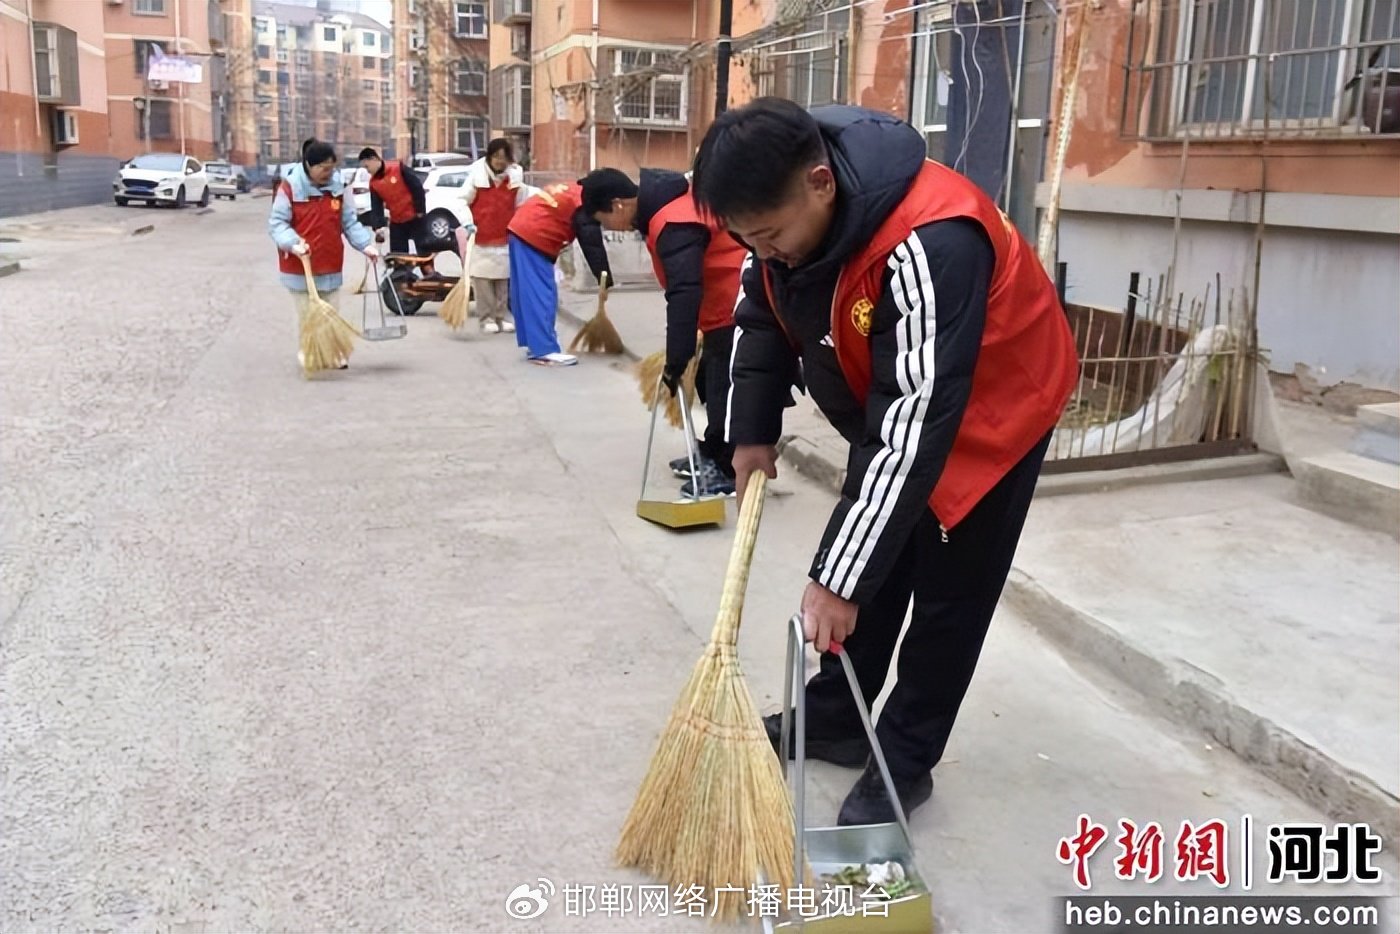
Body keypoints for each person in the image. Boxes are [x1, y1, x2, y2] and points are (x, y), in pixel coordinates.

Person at [691, 98, 1079, 825]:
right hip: (904, 395)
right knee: (875, 551)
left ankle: (904, 758)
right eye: (749, 238)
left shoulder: (932, 240)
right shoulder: (781, 224)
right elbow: (763, 315)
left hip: (994, 411)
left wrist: (836, 581)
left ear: (820, 183)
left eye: (769, 235)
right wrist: (749, 432)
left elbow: (913, 430)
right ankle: (837, 716)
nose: (763, 250)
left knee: (945, 593)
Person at [581, 166, 746, 498]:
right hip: (717, 311)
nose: (606, 228)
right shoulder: (661, 209)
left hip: (737, 305)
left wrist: (677, 357)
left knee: (724, 391)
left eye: (602, 220)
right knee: (708, 384)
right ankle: (713, 452)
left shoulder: (673, 221)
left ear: (618, 205)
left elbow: (684, 291)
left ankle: (729, 471)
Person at [268, 138, 378, 370]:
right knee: (309, 313)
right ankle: (309, 351)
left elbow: (348, 221)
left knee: (331, 312)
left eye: (332, 168)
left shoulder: (338, 187)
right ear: (309, 165)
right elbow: (277, 224)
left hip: (330, 262)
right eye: (323, 168)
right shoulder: (289, 187)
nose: (329, 173)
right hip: (300, 265)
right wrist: (293, 244)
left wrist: (365, 245)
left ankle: (333, 352)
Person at [506, 179, 612, 367]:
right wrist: (605, 279)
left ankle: (534, 344)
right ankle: (544, 350)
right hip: (535, 234)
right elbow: (592, 243)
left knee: (528, 293)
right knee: (541, 294)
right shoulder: (585, 204)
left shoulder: (575, 190)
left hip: (520, 228)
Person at [461, 138, 535, 335]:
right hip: (481, 236)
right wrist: (468, 222)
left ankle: (501, 317)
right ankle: (486, 318)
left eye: (503, 158)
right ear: (489, 157)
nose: (499, 162)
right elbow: (461, 201)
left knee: (503, 281)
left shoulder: (515, 181)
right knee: (483, 282)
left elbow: (522, 204)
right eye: (496, 157)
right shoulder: (476, 178)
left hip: (504, 236)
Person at [358, 147, 435, 275]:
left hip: (415, 216)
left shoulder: (398, 168)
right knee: (398, 255)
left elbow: (417, 187)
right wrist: (378, 227)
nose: (368, 171)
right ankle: (402, 278)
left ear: (374, 159)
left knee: (423, 250)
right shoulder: (374, 183)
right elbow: (376, 207)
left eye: (367, 167)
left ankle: (430, 275)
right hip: (397, 220)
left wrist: (420, 210)